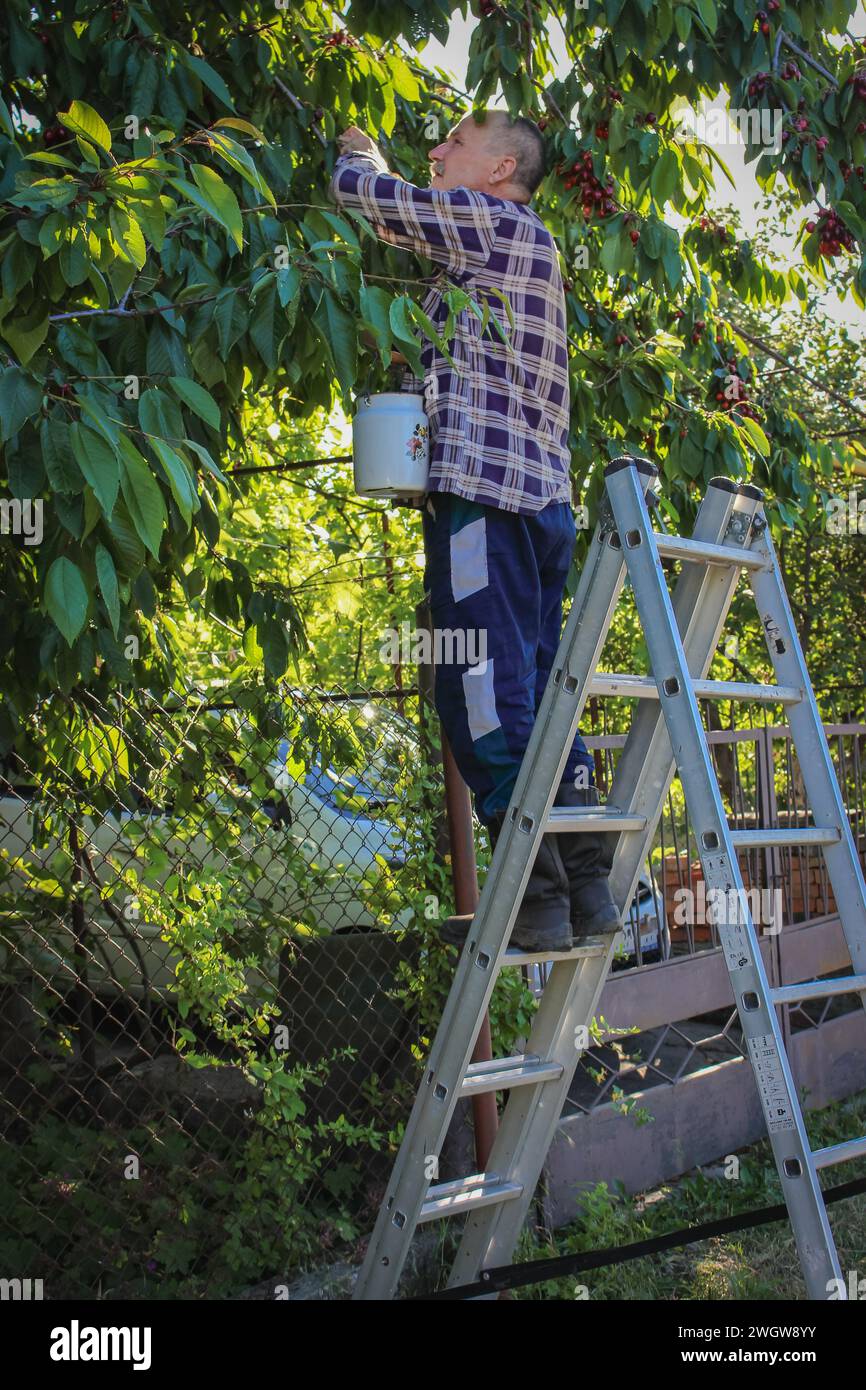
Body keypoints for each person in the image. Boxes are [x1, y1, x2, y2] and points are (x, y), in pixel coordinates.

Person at [330, 110, 620, 952]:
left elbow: (375, 200)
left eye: (454, 144)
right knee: (529, 684)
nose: (437, 154)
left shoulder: (495, 222)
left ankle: (533, 887)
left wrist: (360, 155)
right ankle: (585, 882)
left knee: (479, 689)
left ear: (501, 168)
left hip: (487, 502)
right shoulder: (511, 251)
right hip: (536, 506)